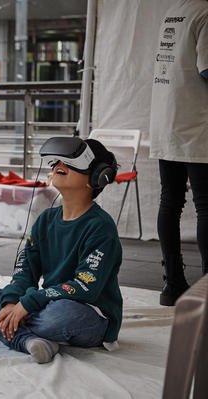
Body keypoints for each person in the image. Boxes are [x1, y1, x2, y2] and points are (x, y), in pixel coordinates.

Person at [0, 138, 123, 364]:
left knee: (60, 316)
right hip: (48, 303)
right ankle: (28, 340)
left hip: (88, 314)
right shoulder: (45, 220)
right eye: (58, 161)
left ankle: (3, 326)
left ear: (96, 177)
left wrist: (28, 304)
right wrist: (12, 302)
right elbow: (25, 271)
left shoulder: (100, 227)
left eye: (71, 163)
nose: (60, 164)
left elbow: (85, 286)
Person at [149, 0, 208, 306]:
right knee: (206, 205)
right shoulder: (206, 12)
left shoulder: (174, 11)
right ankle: (206, 290)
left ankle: (173, 285)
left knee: (170, 200)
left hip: (166, 120)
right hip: (196, 122)